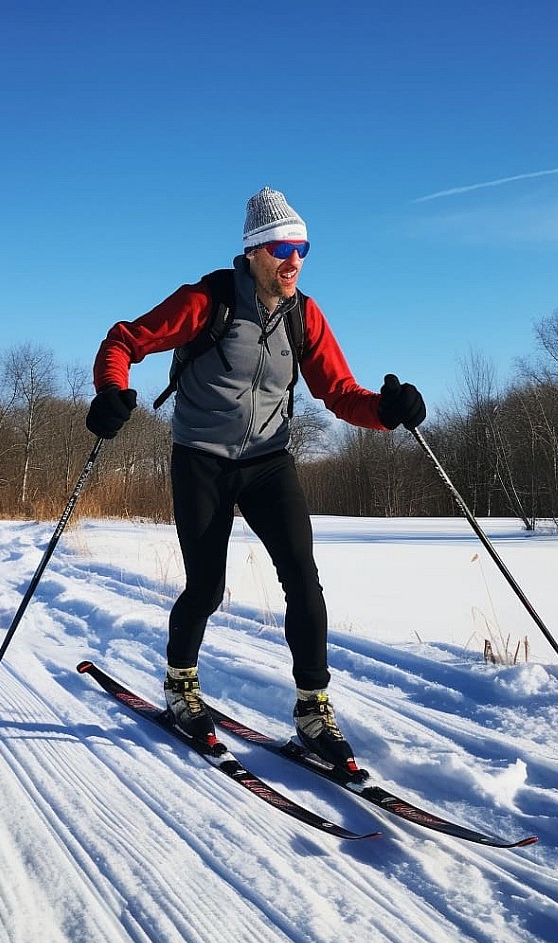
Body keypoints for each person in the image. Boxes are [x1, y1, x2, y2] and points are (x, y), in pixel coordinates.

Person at [86, 187, 425, 772]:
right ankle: (180, 685)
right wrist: (111, 391)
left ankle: (314, 711)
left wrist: (388, 413)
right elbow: (124, 340)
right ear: (252, 253)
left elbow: (340, 393)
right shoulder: (206, 299)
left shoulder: (305, 315)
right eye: (281, 248)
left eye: (303, 247)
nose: (294, 260)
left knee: (303, 579)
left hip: (269, 461)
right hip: (201, 458)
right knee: (205, 588)